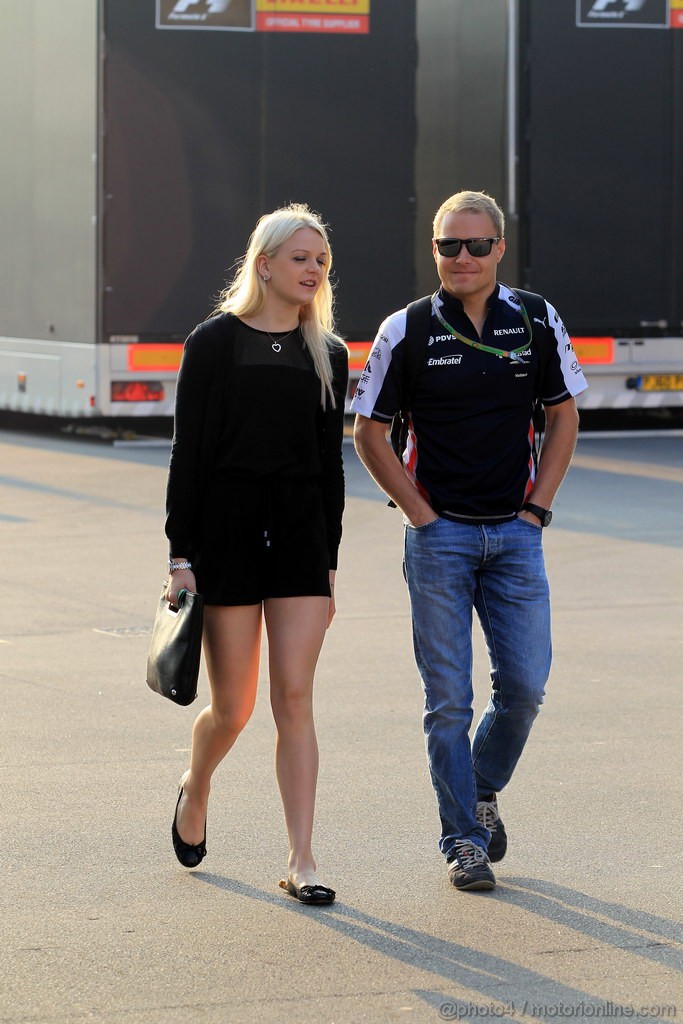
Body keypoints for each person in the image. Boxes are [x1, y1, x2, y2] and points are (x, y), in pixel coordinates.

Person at [351, 190, 587, 892]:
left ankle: (479, 787)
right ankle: (461, 839)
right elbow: (367, 431)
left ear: (498, 250)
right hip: (439, 539)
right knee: (447, 700)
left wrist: (537, 509)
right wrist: (418, 514)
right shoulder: (407, 328)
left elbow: (562, 415)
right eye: (448, 245)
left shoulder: (536, 318)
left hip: (515, 537)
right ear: (433, 250)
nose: (461, 258)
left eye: (475, 245)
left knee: (523, 688)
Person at [164, 203, 348, 905]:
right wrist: (181, 555)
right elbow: (189, 456)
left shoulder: (326, 352)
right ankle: (197, 783)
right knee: (233, 709)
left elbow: (330, 469)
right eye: (299, 258)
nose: (312, 270)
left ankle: (302, 858)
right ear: (264, 263)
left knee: (294, 698)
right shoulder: (212, 342)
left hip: (300, 539)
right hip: (226, 536)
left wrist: (328, 563)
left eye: (320, 261)